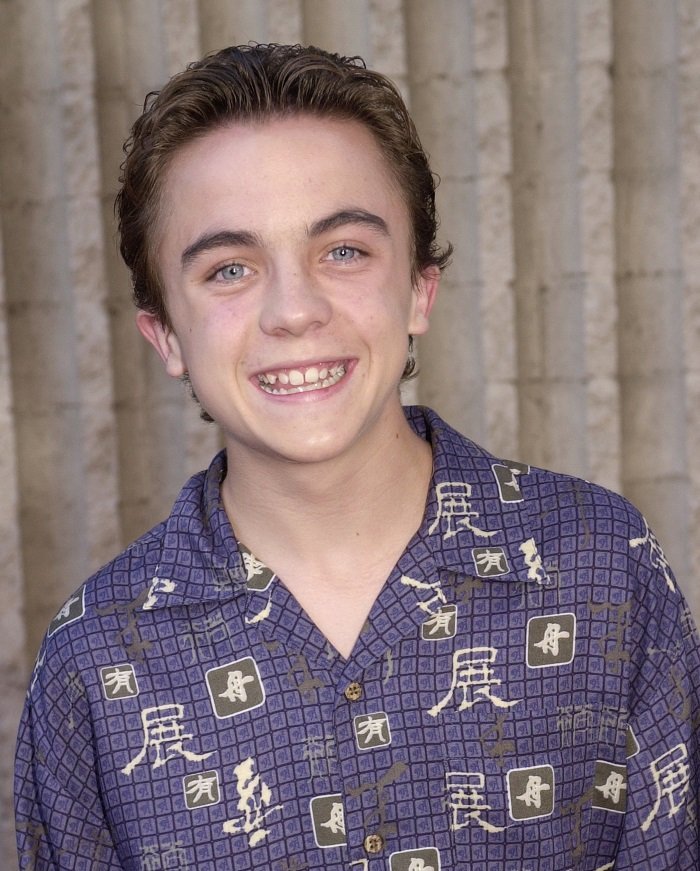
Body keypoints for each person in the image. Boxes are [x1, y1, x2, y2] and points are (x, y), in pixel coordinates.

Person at [14, 42, 700, 870]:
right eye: (229, 268)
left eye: (343, 250)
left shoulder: (603, 568)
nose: (294, 310)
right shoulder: (91, 666)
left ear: (418, 287)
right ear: (165, 334)